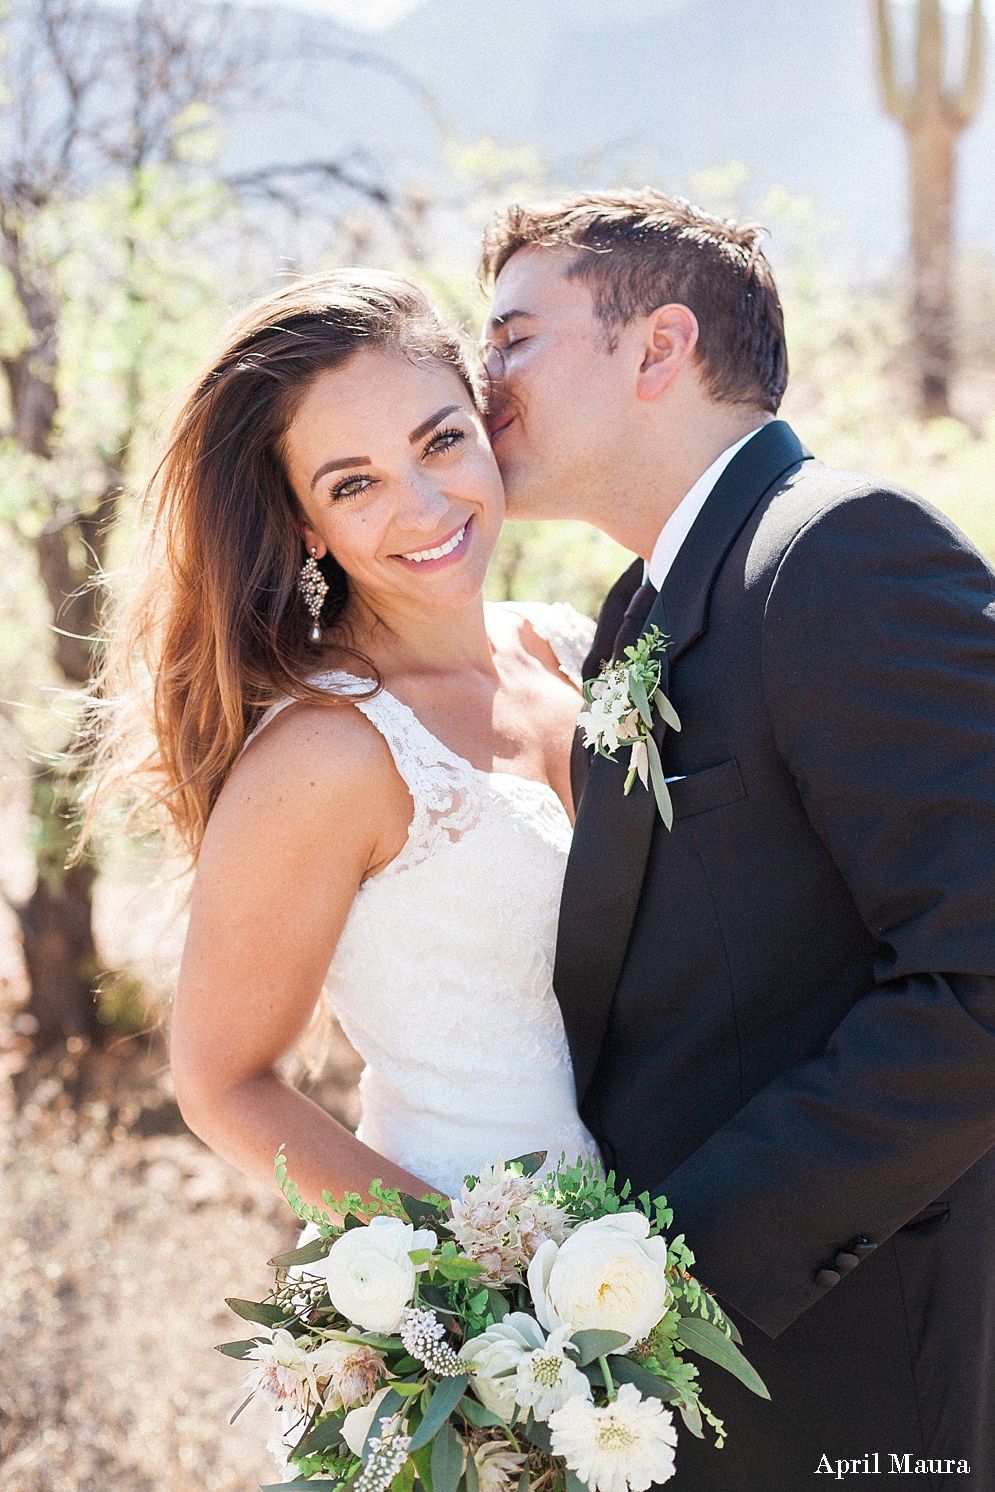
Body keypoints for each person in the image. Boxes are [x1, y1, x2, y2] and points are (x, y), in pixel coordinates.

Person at [479, 189, 995, 1489]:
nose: (480, 384)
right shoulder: (639, 604)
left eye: (511, 339)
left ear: (654, 349)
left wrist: (672, 1264)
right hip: (685, 1393)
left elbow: (977, 973)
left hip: (842, 1374)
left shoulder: (841, 553)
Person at [94, 270, 597, 1206]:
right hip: (491, 1305)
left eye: (440, 440)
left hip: (683, 1265)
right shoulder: (327, 752)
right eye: (355, 483)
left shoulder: (569, 648)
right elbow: (222, 1082)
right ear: (304, 524)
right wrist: (462, 1288)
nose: (422, 505)